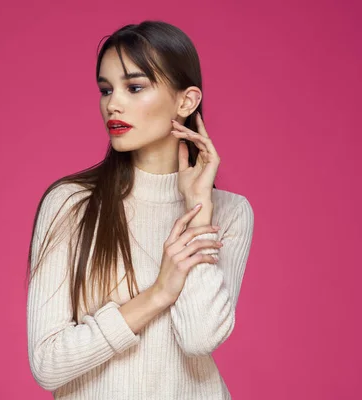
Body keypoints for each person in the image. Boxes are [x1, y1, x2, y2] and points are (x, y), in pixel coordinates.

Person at [25, 20, 254, 399]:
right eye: (106, 89)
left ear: (186, 101)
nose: (113, 103)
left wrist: (198, 208)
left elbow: (199, 338)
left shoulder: (229, 213)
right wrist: (158, 294)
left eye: (134, 87)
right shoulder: (71, 203)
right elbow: (48, 363)